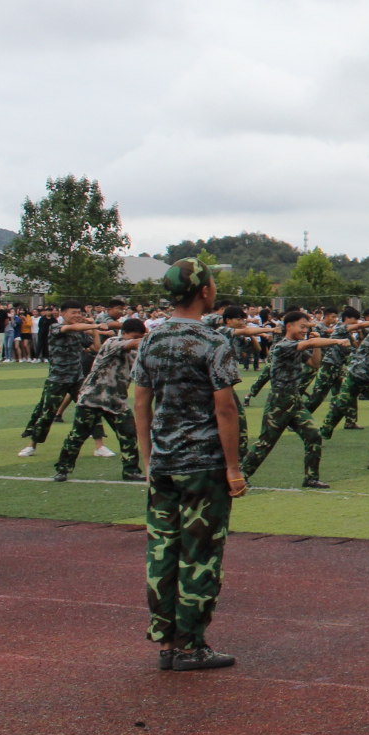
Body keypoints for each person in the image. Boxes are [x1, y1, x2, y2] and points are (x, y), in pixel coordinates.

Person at [131, 259, 246, 672]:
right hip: (202, 465)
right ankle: (190, 645)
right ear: (205, 292)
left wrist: (148, 458)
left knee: (162, 549)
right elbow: (225, 409)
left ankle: (166, 642)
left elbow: (141, 402)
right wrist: (233, 468)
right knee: (199, 553)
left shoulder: (150, 339)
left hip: (163, 462)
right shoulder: (212, 342)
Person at [240, 311, 351, 487]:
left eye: (307, 327)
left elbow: (315, 364)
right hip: (279, 401)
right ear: (289, 326)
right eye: (302, 326)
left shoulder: (297, 345)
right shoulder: (283, 346)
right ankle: (242, 475)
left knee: (314, 435)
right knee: (266, 442)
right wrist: (337, 341)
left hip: (295, 400)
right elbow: (309, 342)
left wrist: (317, 347)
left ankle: (311, 477)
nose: (304, 330)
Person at [53, 317, 148, 481]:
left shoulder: (137, 352)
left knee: (129, 434)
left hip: (116, 400)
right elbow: (132, 344)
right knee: (77, 435)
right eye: (134, 336)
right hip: (93, 397)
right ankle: (62, 469)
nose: (137, 340)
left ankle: (130, 470)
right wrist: (146, 340)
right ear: (124, 333)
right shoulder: (112, 343)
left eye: (140, 336)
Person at [19, 302, 97, 457]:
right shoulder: (55, 327)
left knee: (91, 409)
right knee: (47, 414)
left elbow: (97, 348)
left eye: (79, 313)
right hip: (58, 378)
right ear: (62, 313)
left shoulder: (81, 332)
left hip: (77, 378)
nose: (77, 315)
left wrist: (95, 330)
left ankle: (99, 446)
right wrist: (96, 326)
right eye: (73, 312)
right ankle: (32, 445)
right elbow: (71, 328)